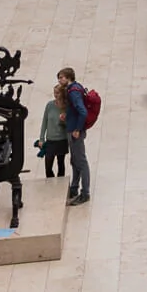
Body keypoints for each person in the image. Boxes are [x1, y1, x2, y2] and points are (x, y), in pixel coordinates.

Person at [57, 67, 92, 205]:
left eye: (61, 78)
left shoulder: (73, 92)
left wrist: (77, 129)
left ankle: (85, 193)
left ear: (68, 77)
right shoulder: (76, 88)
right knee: (75, 160)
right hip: (72, 128)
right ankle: (74, 187)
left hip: (75, 131)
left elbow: (82, 112)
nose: (60, 81)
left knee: (81, 161)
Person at [36, 84, 69, 180]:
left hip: (62, 140)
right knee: (48, 166)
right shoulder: (49, 105)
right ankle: (51, 183)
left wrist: (63, 121)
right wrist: (41, 138)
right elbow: (44, 122)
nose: (55, 95)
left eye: (57, 93)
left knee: (60, 164)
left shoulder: (66, 107)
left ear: (62, 94)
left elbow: (68, 125)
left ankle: (60, 184)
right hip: (50, 140)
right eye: (54, 93)